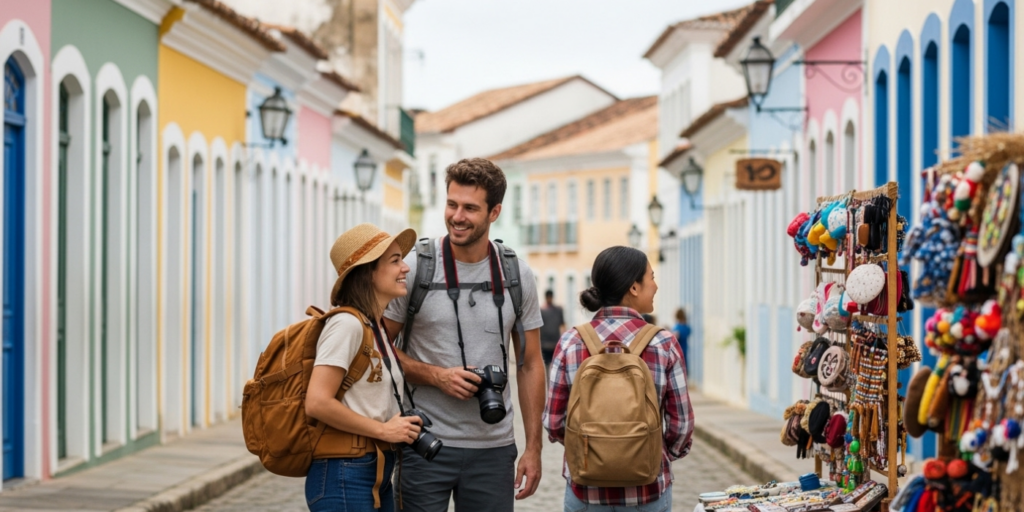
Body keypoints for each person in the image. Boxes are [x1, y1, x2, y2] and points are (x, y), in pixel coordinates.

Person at [382, 158, 546, 512]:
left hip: (494, 450)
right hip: (423, 444)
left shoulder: (516, 274)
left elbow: (531, 364)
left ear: (494, 212)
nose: (457, 216)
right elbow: (379, 348)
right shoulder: (416, 267)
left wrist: (534, 448)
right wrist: (436, 376)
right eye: (451, 204)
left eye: (470, 208)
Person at [543, 246, 694, 512]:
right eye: (651, 277)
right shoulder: (663, 343)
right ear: (634, 287)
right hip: (647, 494)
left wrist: (594, 450)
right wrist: (653, 454)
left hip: (585, 493)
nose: (656, 286)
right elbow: (681, 426)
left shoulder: (570, 342)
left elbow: (554, 422)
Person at [304, 223, 422, 512]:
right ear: (368, 272)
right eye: (394, 261)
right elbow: (317, 402)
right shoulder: (346, 324)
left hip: (374, 470)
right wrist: (383, 430)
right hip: (345, 473)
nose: (405, 268)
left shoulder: (374, 327)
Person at [540, 289, 565, 365]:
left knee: (553, 364)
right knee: (548, 365)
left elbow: (562, 325)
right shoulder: (541, 311)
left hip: (554, 343)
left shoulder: (558, 310)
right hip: (545, 343)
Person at [673, 308, 692, 376]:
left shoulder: (677, 327)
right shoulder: (687, 327)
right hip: (684, 350)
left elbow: (675, 338)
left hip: (677, 351)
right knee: (684, 369)